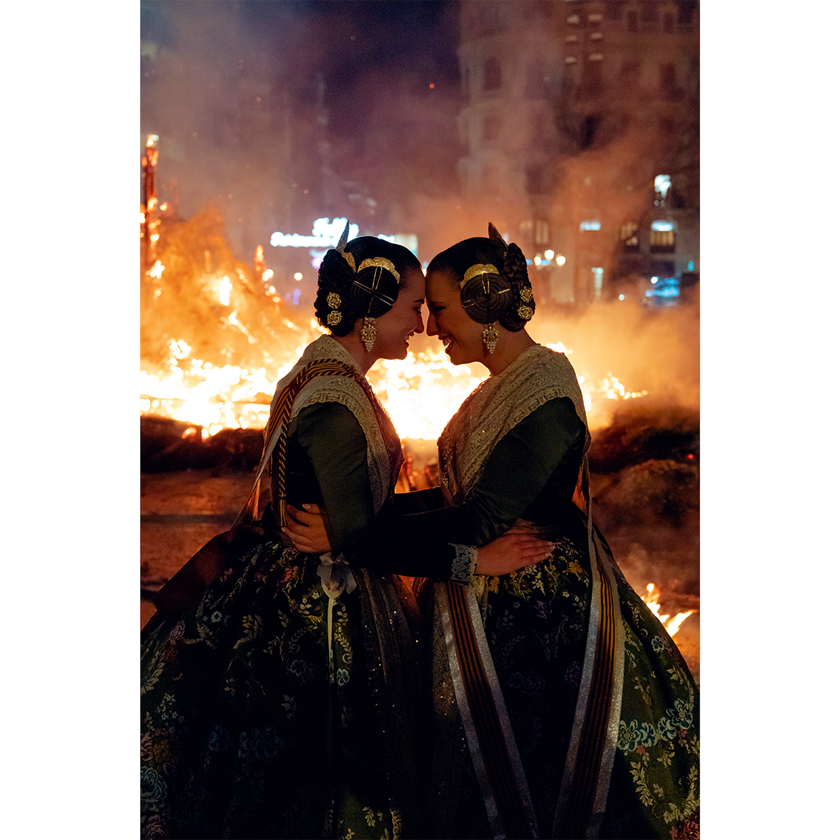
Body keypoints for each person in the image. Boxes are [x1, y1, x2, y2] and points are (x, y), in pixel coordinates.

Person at [286, 226, 700, 840]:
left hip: (536, 608)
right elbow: (462, 500)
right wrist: (359, 522)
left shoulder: (546, 399)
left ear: (483, 309)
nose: (432, 326)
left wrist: (356, 532)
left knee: (525, 776)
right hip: (489, 585)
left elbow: (480, 520)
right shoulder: (503, 387)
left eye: (444, 308)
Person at [140, 230, 551, 840]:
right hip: (315, 607)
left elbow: (356, 520)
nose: (421, 323)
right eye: (414, 306)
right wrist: (474, 562)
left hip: (312, 576)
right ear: (374, 308)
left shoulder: (331, 375)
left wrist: (357, 523)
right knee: (325, 767)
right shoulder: (335, 401)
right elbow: (357, 540)